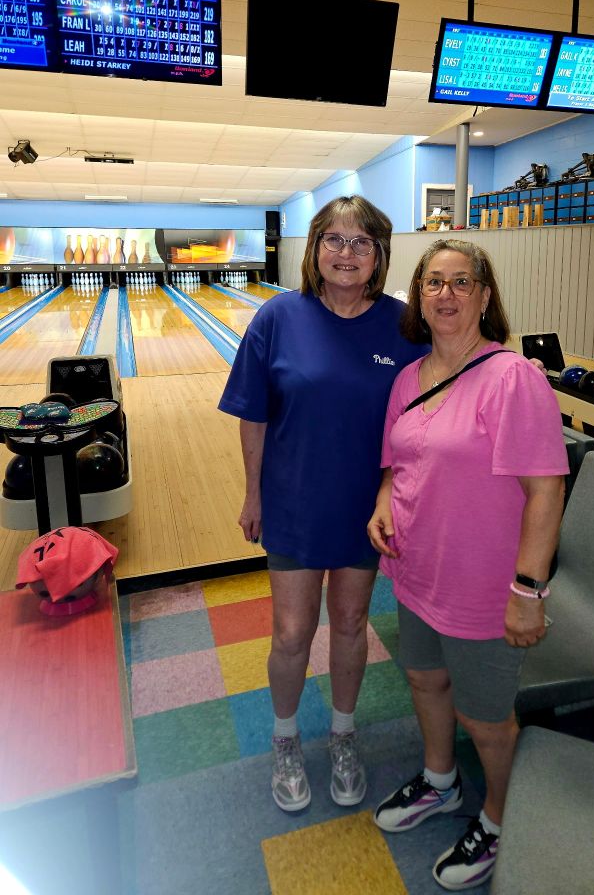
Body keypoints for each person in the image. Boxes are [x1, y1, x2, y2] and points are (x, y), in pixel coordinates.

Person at [367, 238, 568, 891]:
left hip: (483, 585)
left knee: (485, 718)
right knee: (425, 681)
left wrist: (528, 592)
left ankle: (501, 819)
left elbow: (546, 489)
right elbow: (398, 460)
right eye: (433, 282)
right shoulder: (407, 378)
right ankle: (440, 781)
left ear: (484, 297)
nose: (446, 294)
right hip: (417, 571)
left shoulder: (512, 378)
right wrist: (383, 503)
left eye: (461, 282)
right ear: (418, 297)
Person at [218, 196, 428, 813]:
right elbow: (254, 415)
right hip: (293, 500)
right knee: (291, 632)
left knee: (352, 623)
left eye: (361, 242)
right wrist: (253, 493)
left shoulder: (404, 326)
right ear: (314, 250)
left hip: (365, 506)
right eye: (333, 239)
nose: (346, 252)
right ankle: (285, 740)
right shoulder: (278, 317)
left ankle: (342, 734)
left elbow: (437, 398)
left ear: (379, 255)